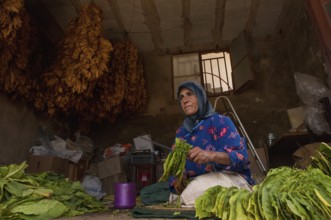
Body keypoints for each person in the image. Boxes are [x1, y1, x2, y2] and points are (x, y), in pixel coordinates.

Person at [170, 81, 255, 205]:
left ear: (200, 96)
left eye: (189, 94)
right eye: (181, 97)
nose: (185, 100)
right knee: (174, 194)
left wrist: (210, 155)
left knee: (195, 191)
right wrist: (179, 178)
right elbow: (175, 172)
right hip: (196, 181)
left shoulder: (220, 121)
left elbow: (241, 157)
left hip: (228, 177)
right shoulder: (181, 133)